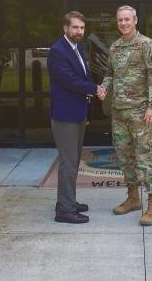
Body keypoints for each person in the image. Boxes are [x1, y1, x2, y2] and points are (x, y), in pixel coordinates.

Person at [100, 5, 152, 226]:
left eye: (127, 19)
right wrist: (104, 88)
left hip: (141, 113)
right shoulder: (115, 47)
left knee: (146, 159)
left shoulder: (146, 45)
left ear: (135, 20)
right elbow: (110, 73)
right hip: (119, 112)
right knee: (124, 157)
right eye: (120, 20)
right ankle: (132, 198)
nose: (123, 23)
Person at [48, 11, 105, 224]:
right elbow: (70, 81)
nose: (79, 31)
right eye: (75, 27)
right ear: (65, 28)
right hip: (65, 117)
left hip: (78, 115)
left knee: (74, 161)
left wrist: (88, 112)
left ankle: (68, 202)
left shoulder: (78, 48)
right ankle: (64, 211)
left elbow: (82, 76)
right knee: (68, 163)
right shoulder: (57, 51)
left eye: (82, 28)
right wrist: (95, 89)